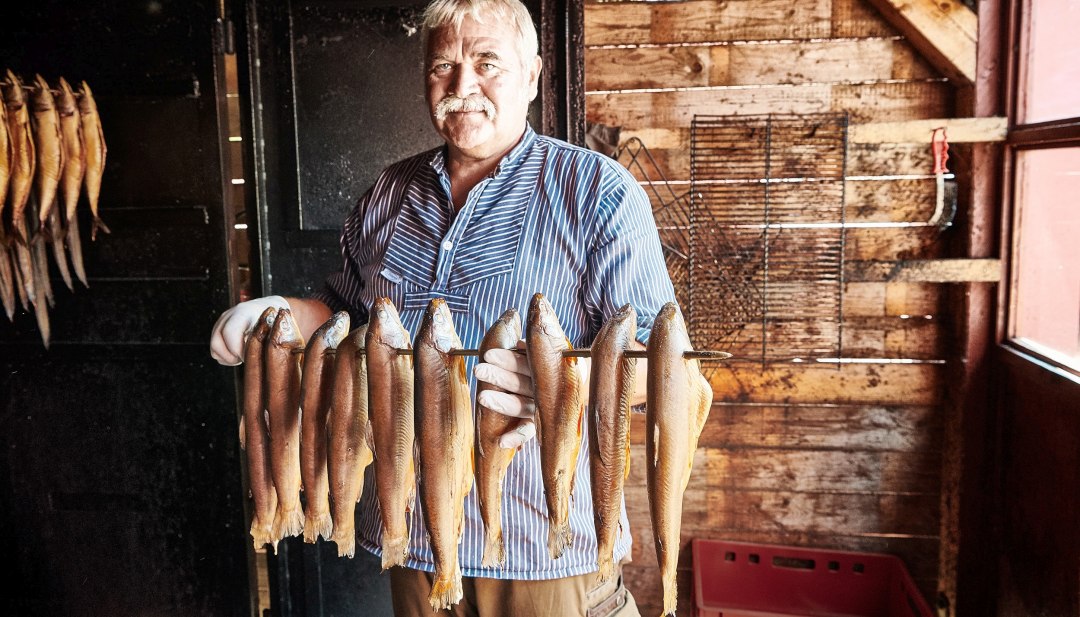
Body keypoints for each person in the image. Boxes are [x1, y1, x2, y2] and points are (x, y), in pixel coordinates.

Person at [210, 0, 676, 614]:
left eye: (488, 63)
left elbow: (660, 365)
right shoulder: (387, 193)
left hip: (541, 555)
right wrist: (279, 314)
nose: (463, 86)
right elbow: (344, 315)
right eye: (443, 67)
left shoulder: (598, 193)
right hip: (412, 542)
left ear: (533, 75)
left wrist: (574, 382)